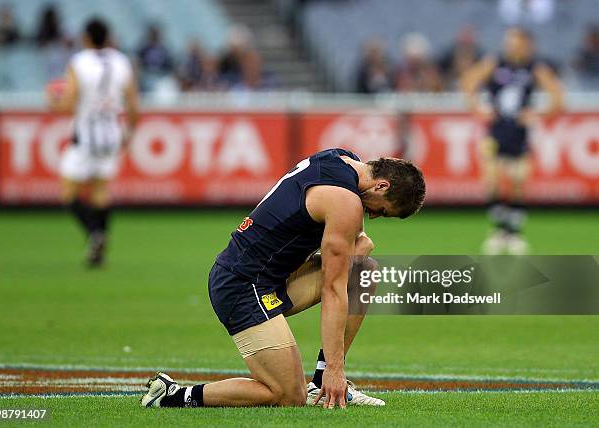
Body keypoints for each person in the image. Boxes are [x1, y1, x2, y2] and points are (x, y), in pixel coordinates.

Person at [141, 148, 425, 408]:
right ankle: (172, 395)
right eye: (381, 210)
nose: (373, 215)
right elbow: (334, 289)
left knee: (363, 270)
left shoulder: (340, 159)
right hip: (242, 285)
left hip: (269, 279)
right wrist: (336, 370)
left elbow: (360, 246)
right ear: (382, 185)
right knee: (289, 396)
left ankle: (317, 384)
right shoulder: (345, 201)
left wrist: (355, 248)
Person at [462, 27, 563, 254]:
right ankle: (499, 231)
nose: (510, 45)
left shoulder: (534, 67)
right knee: (492, 179)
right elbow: (469, 82)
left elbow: (557, 97)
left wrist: (537, 114)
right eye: (508, 41)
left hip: (519, 132)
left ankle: (514, 232)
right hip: (496, 130)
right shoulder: (494, 62)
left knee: (518, 181)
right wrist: (477, 108)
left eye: (515, 41)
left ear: (526, 44)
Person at [47, 18, 139, 266]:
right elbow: (132, 104)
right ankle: (99, 244)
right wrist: (128, 134)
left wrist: (52, 100)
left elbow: (67, 103)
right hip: (111, 134)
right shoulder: (121, 61)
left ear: (86, 38)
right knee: (100, 190)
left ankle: (94, 233)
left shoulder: (79, 62)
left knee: (69, 193)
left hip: (86, 134)